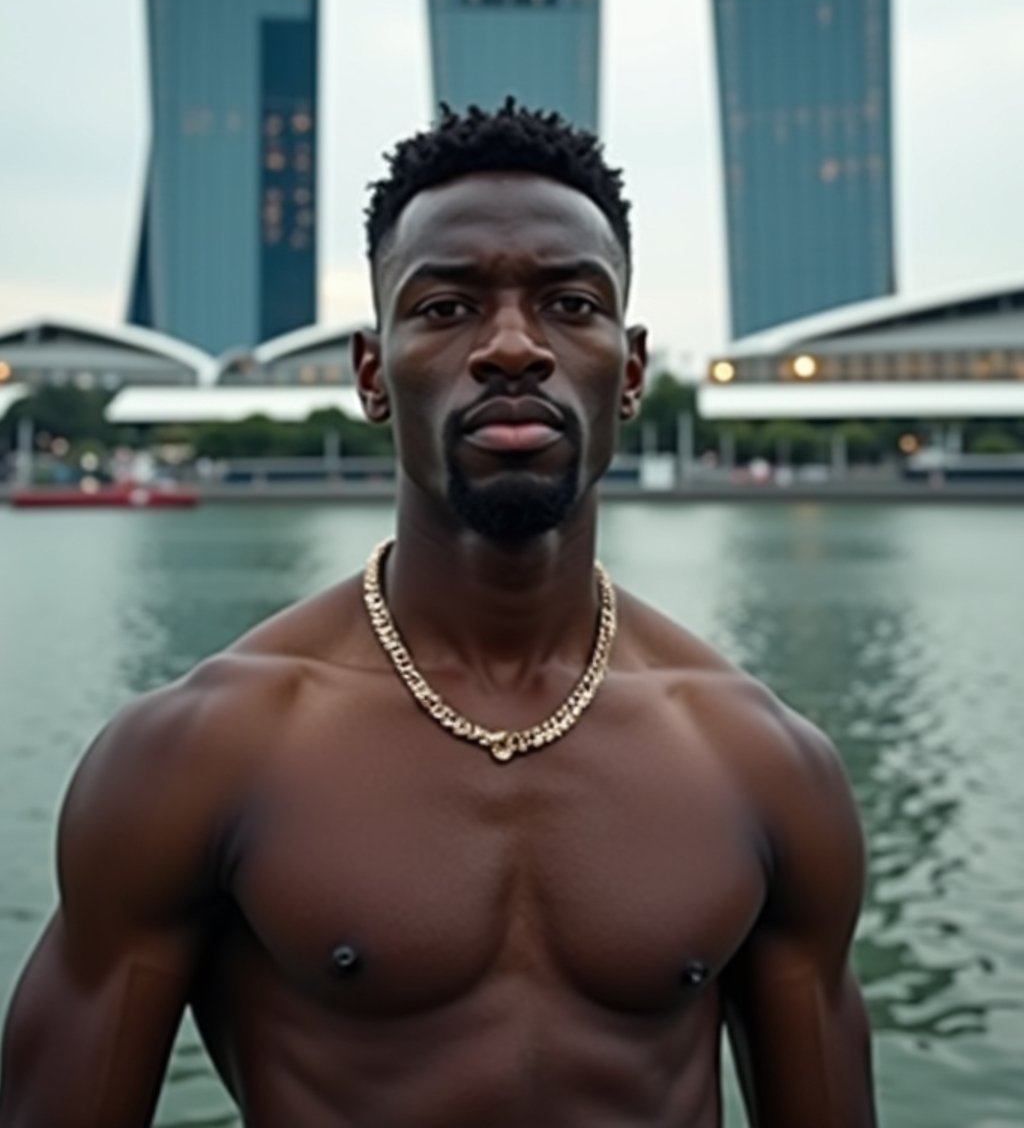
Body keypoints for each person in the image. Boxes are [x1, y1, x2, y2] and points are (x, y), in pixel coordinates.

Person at [0, 102, 877, 1127]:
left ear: (631, 371)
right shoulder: (198, 753)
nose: (513, 347)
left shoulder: (763, 763)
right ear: (372, 374)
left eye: (569, 304)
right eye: (447, 307)